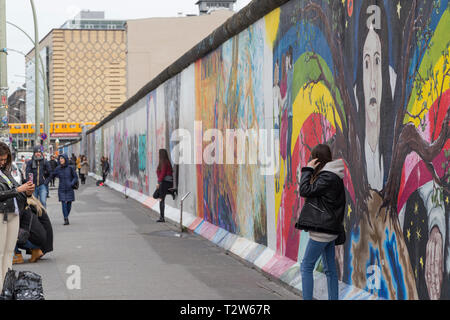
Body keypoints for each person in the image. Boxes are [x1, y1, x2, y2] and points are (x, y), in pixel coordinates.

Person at [296, 144, 346, 300]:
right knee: (330, 270)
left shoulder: (327, 177)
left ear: (317, 159)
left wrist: (308, 169)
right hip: (329, 230)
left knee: (306, 266)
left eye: (312, 158)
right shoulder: (332, 176)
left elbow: (305, 190)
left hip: (322, 231)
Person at [0, 142, 35, 291]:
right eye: (0, 159)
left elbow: (15, 191)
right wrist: (18, 189)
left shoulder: (6, 172)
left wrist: (27, 192)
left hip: (13, 213)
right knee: (1, 252)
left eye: (4, 159)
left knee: (8, 252)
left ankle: (7, 285)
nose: (2, 162)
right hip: (2, 214)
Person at [14, 195, 54, 264]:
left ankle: (18, 255)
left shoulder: (28, 206)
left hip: (41, 242)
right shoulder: (37, 204)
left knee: (11, 234)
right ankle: (36, 251)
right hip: (46, 241)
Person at [45, 154, 78, 226]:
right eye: (60, 159)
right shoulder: (58, 168)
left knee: (69, 204)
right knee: (63, 204)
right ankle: (66, 218)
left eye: (62, 158)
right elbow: (52, 175)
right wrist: (46, 182)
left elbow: (75, 177)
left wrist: (71, 183)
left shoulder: (70, 168)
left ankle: (66, 215)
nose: (61, 160)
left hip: (69, 188)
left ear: (65, 159)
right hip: (61, 189)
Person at [154, 149, 177, 223]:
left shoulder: (165, 162)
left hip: (166, 182)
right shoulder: (162, 163)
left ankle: (162, 217)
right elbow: (159, 172)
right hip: (163, 183)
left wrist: (158, 182)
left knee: (161, 198)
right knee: (155, 195)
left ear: (161, 154)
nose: (158, 155)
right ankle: (171, 192)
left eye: (159, 154)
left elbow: (163, 173)